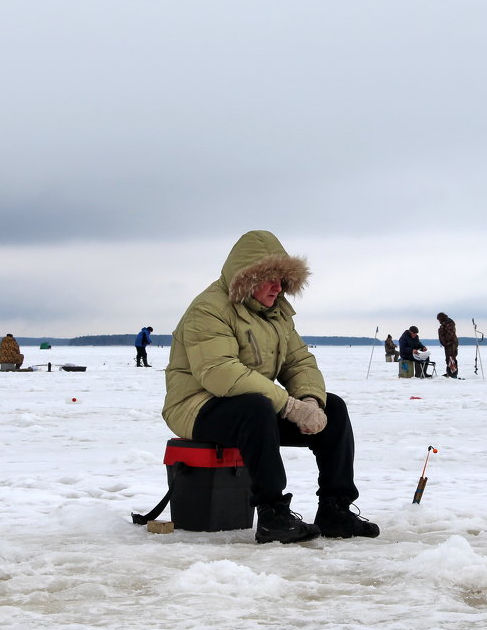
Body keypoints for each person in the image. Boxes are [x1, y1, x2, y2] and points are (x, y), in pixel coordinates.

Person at [163, 230, 380, 544]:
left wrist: (310, 400)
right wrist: (290, 407)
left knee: (334, 407)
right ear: (247, 279)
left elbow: (299, 361)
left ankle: (335, 509)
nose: (278, 287)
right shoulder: (208, 310)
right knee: (256, 407)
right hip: (195, 407)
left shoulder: (277, 314)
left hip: (251, 407)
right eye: (269, 278)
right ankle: (272, 512)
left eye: (282, 279)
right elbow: (220, 372)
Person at [437, 312, 459, 378]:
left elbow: (450, 333)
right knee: (448, 358)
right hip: (448, 344)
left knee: (451, 358)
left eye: (438, 319)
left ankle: (453, 374)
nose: (438, 321)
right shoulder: (445, 323)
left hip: (451, 344)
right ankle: (449, 372)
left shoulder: (449, 323)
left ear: (441, 318)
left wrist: (447, 342)